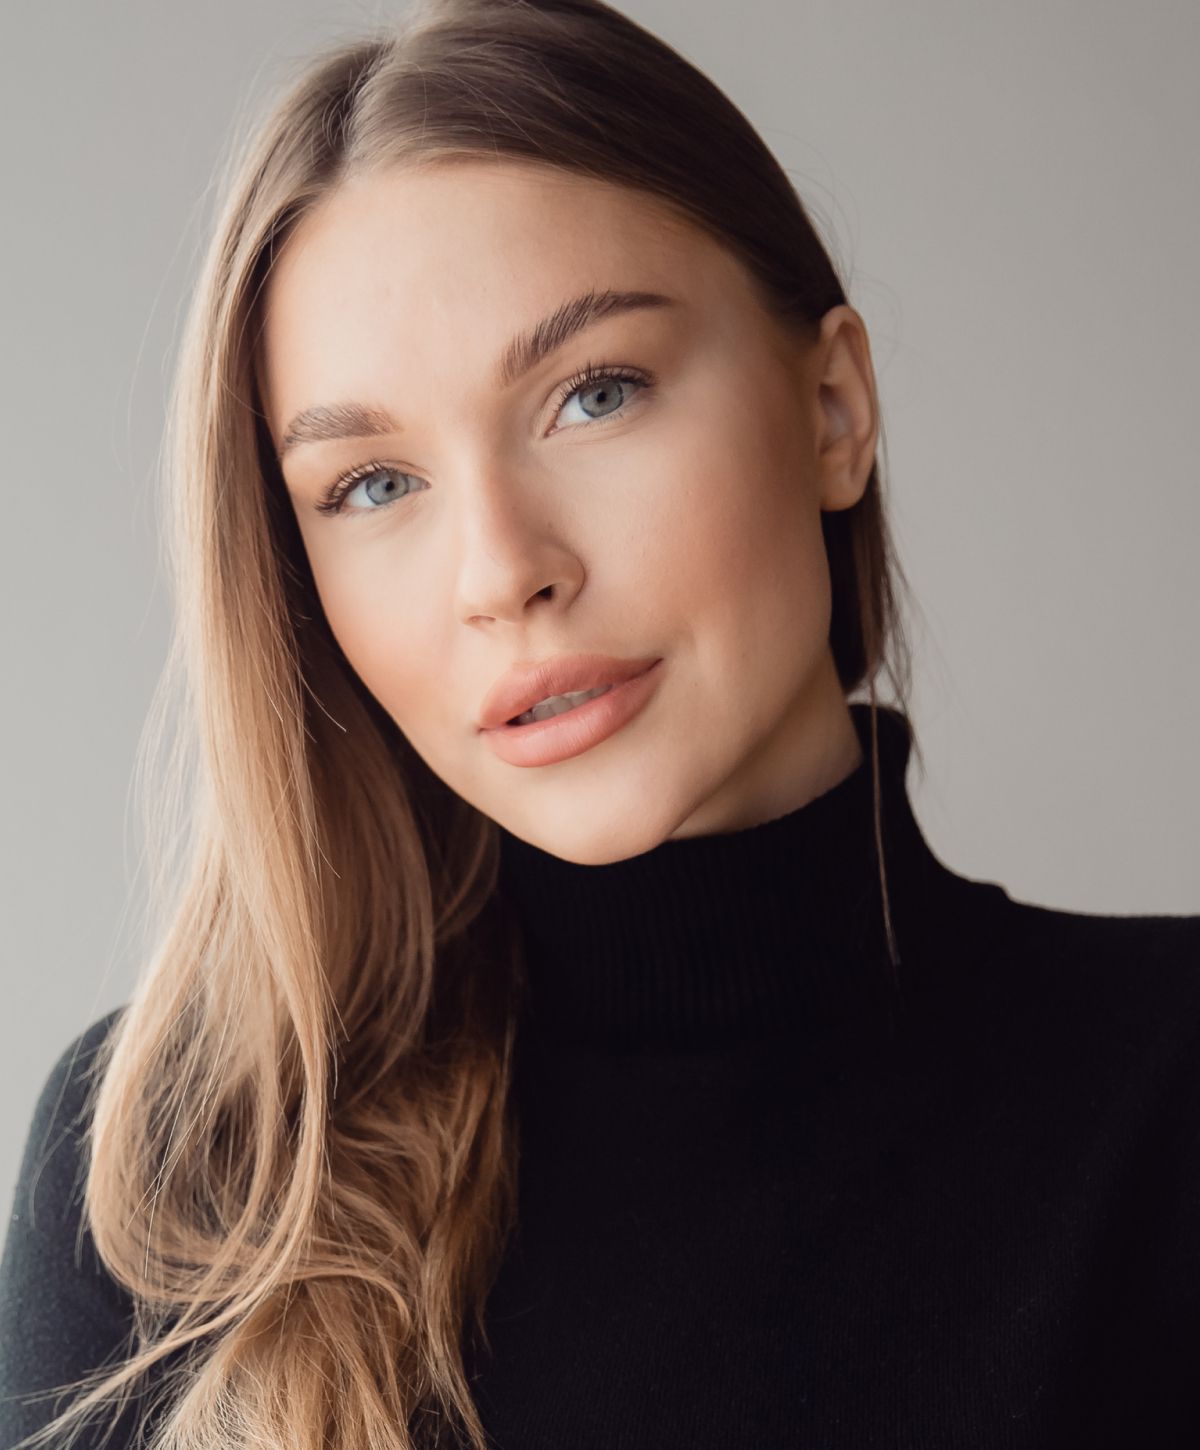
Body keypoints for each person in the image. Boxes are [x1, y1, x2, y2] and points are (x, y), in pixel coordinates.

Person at [2, 0, 1197, 1447]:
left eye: (594, 392)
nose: (504, 570)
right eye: (373, 483)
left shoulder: (1158, 1101)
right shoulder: (182, 1177)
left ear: (831, 407)